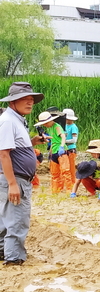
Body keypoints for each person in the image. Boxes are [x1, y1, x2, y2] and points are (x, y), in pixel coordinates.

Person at [0, 82, 47, 265]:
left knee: (7, 218)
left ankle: (4, 251)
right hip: (15, 179)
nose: (29, 103)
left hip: (16, 178)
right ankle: (14, 258)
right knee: (18, 219)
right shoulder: (8, 121)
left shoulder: (16, 119)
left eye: (31, 99)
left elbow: (15, 147)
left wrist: (33, 142)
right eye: (24, 99)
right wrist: (12, 183)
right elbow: (4, 153)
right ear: (13, 102)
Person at [34, 110, 73, 193]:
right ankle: (56, 190)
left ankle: (70, 190)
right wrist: (50, 152)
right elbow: (53, 141)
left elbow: (63, 136)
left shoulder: (57, 126)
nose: (44, 125)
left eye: (45, 123)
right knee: (54, 173)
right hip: (54, 151)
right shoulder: (50, 128)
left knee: (65, 171)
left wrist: (62, 147)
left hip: (61, 151)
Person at [63, 108, 79, 178]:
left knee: (71, 167)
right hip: (65, 148)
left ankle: (73, 181)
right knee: (65, 166)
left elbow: (74, 140)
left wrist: (64, 141)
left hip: (71, 148)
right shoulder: (65, 126)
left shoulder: (73, 127)